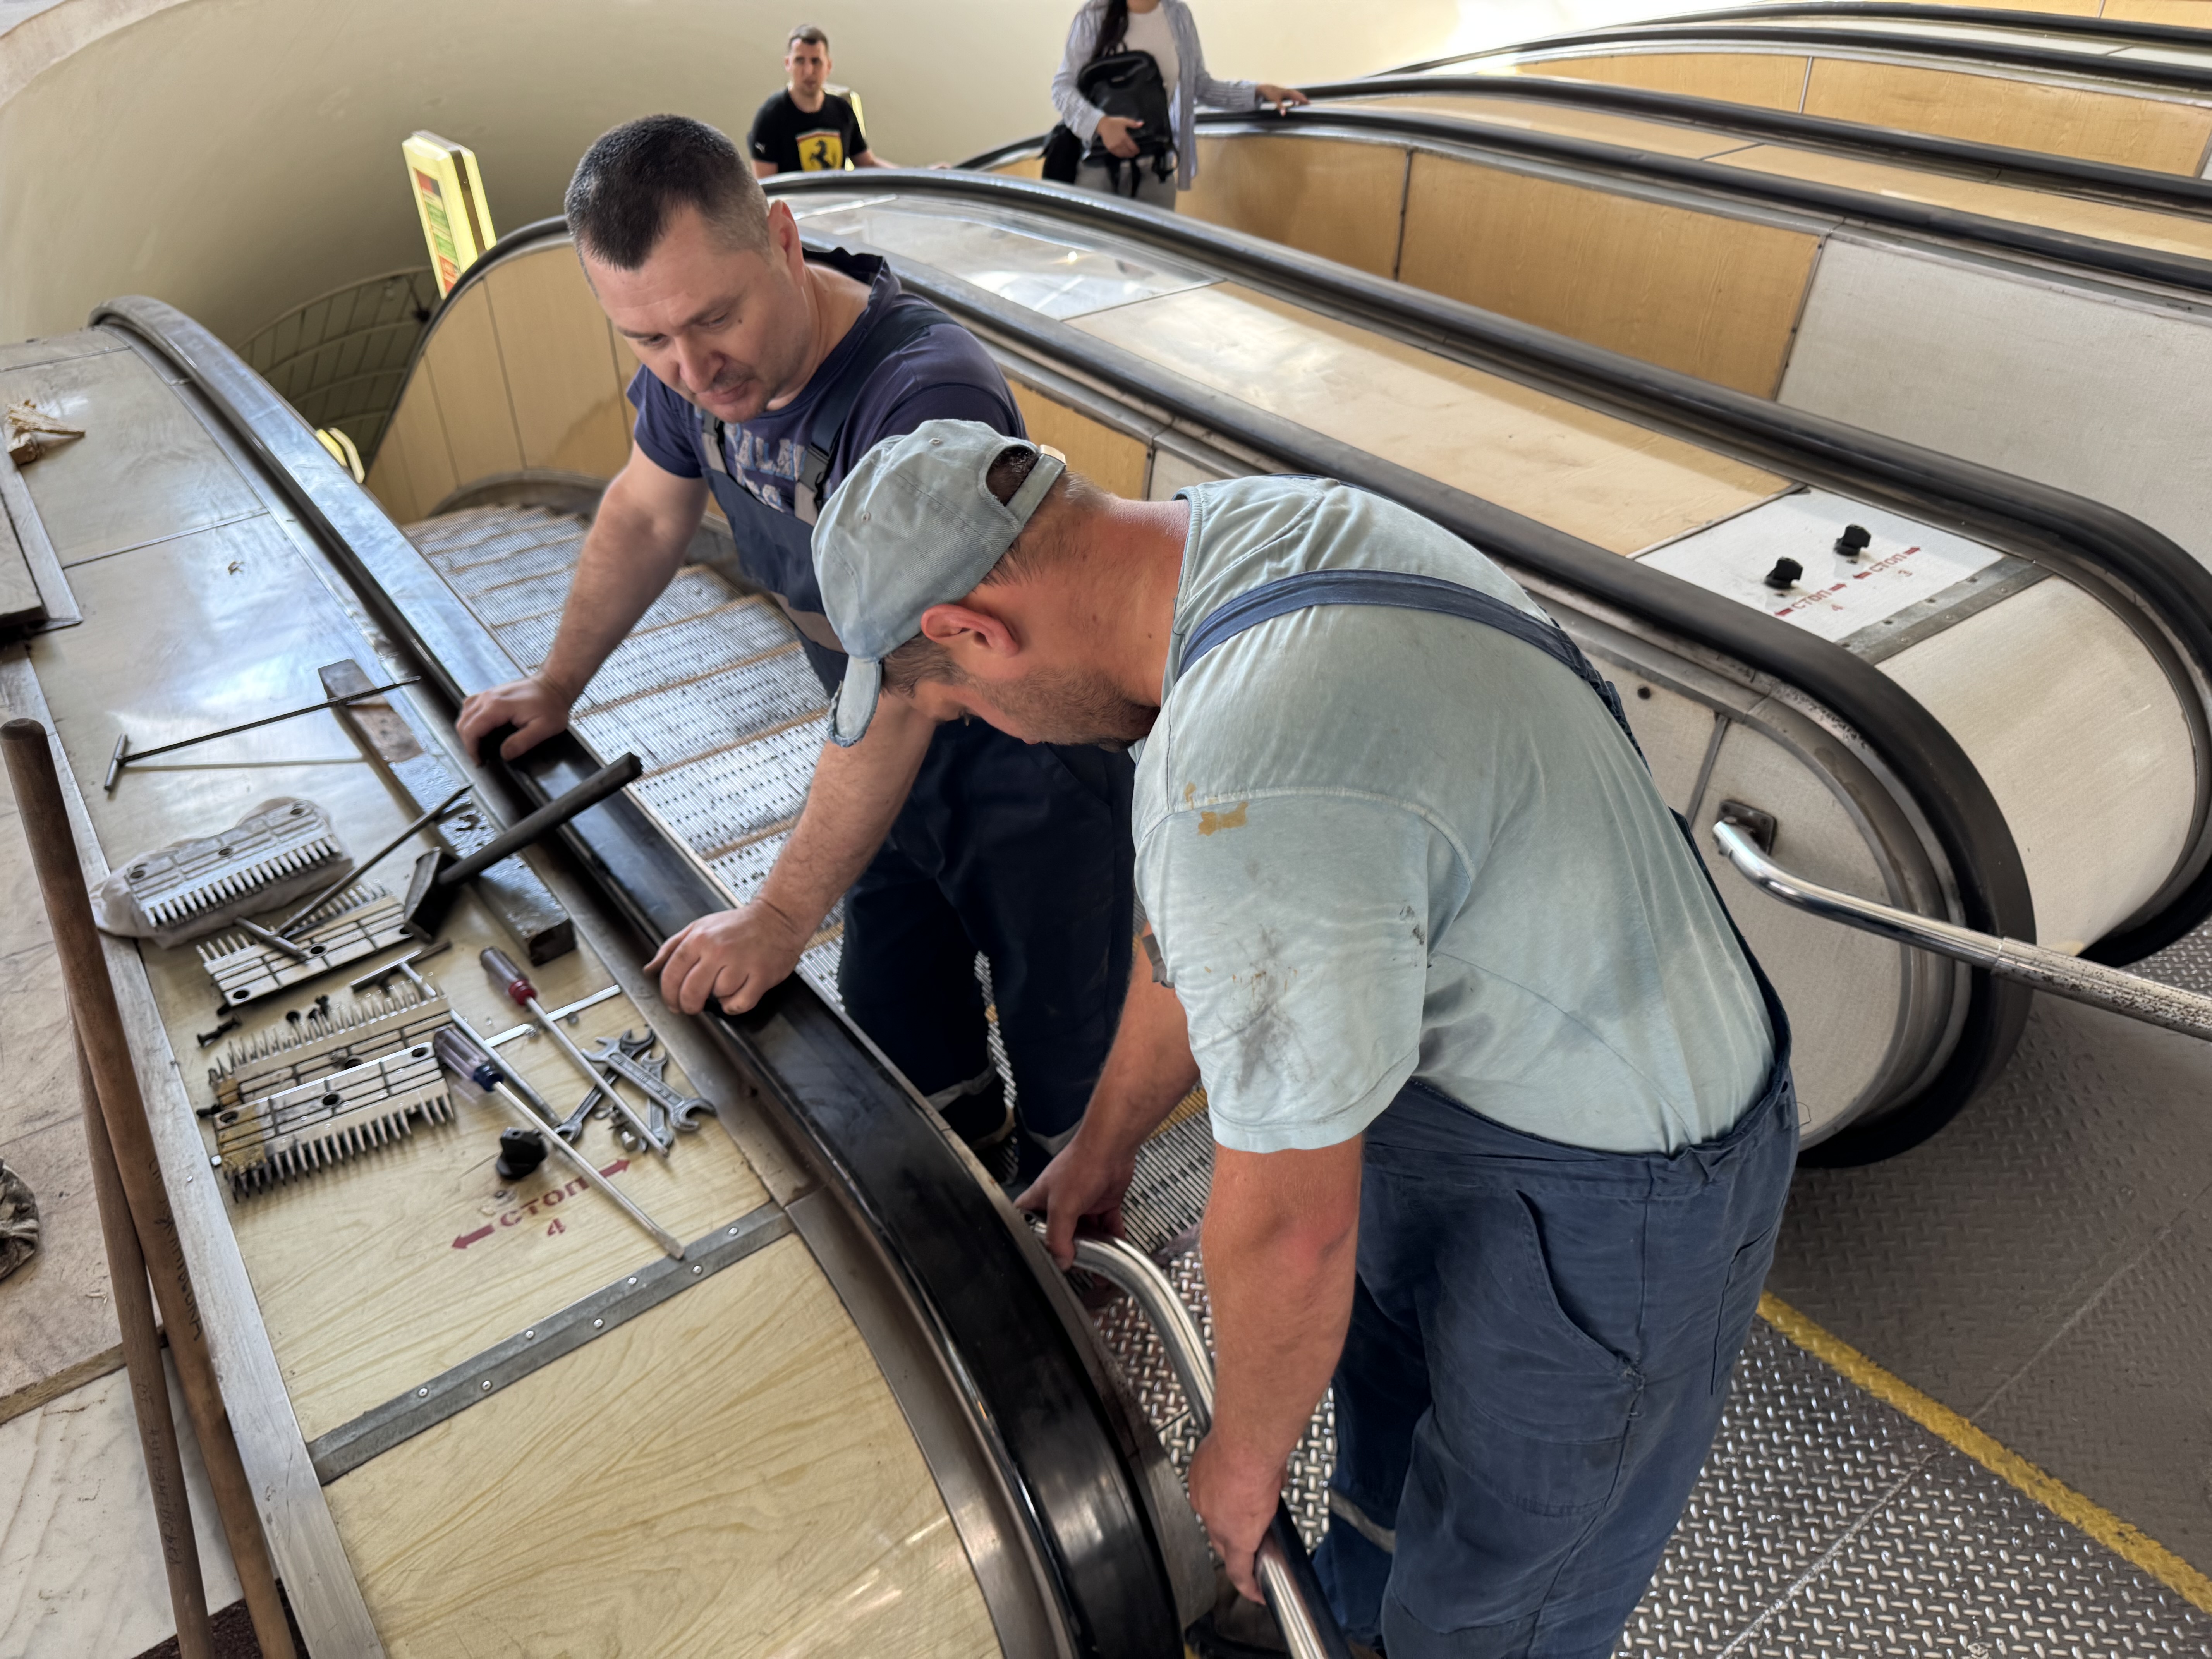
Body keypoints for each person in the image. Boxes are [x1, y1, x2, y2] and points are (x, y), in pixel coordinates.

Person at [809, 421, 1799, 1659]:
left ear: (973, 631)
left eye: (958, 704)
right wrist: (1105, 1143)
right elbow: (1211, 938)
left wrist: (1239, 1462)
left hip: (1619, 1181)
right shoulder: (1260, 537)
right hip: (1466, 1073)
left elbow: (1292, 1228)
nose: (995, 731)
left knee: (1501, 1587)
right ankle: (1348, 1621)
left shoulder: (1243, 773)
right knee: (1385, 1434)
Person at [456, 119, 1134, 1179]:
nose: (691, 368)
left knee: (1070, 1060)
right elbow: (646, 511)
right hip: (874, 770)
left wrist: (777, 916)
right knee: (899, 1018)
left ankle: (1067, 1235)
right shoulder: (695, 368)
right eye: (647, 340)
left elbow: (911, 690)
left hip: (1029, 783)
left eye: (714, 318)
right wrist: (556, 685)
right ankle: (963, 1184)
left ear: (782, 240)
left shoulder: (921, 398)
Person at [1050, 0, 1308, 208]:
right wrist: (1101, 124)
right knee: (1099, 257)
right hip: (1098, 170)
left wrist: (1258, 92)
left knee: (1156, 257)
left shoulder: (1179, 16)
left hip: (1157, 169)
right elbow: (1062, 88)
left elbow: (1200, 85)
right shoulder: (1093, 16)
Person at [750, 24, 897, 177]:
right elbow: (766, 185)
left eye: (816, 61)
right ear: (788, 64)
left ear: (829, 66)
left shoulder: (842, 110)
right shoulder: (771, 116)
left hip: (837, 193)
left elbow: (867, 164)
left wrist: (908, 176)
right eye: (800, 61)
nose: (809, 71)